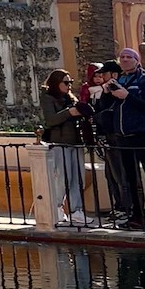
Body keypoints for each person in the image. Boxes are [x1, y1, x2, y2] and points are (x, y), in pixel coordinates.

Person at [104, 49, 145, 230]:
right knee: (130, 179)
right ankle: (137, 215)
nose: (125, 59)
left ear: (137, 61)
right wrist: (107, 93)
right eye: (122, 57)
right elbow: (106, 108)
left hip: (143, 135)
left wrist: (128, 96)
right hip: (123, 137)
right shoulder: (119, 80)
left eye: (129, 57)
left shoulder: (144, 80)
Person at [37, 69, 86, 231]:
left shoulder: (71, 98)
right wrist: (69, 112)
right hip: (60, 142)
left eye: (70, 82)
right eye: (66, 82)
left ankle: (76, 210)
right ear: (56, 83)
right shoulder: (48, 98)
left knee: (77, 178)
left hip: (75, 141)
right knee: (63, 177)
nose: (69, 85)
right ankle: (57, 207)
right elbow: (51, 120)